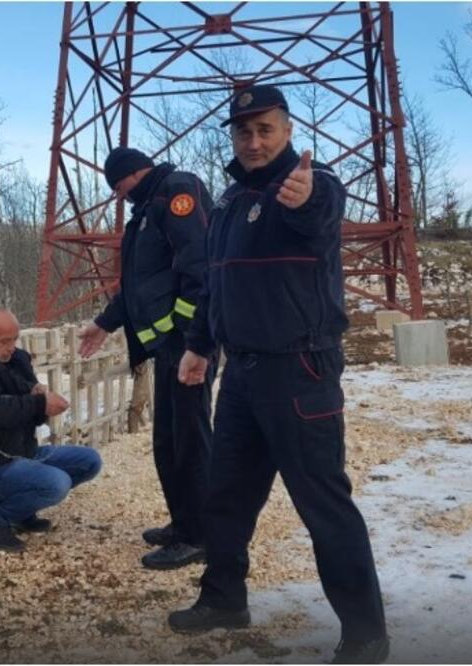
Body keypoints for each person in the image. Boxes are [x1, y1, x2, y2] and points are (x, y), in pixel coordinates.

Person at [167, 85, 389, 664]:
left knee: (323, 504)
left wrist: (306, 197)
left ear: (288, 131)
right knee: (226, 496)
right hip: (239, 374)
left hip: (300, 369)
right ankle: (223, 600)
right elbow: (215, 284)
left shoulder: (313, 184)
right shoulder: (229, 203)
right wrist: (198, 347)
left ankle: (365, 634)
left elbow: (321, 210)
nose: (254, 141)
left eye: (265, 129)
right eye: (243, 131)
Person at [78, 147, 215, 570]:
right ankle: (183, 523)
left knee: (190, 441)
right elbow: (139, 284)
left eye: (119, 185)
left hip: (187, 346)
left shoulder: (177, 192)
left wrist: (191, 338)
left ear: (136, 172)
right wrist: (105, 323)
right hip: (168, 348)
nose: (118, 195)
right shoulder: (146, 211)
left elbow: (201, 269)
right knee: (168, 442)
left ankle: (200, 536)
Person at [0, 309, 102, 553]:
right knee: (57, 483)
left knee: (90, 461)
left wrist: (40, 399)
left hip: (23, 452)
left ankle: (22, 510)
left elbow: (31, 414)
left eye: (14, 339)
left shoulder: (16, 360)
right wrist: (38, 403)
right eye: (4, 341)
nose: (11, 347)